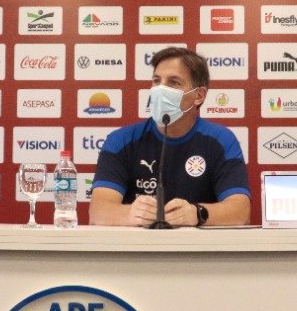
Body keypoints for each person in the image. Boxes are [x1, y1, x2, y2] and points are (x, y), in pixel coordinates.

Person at [91, 46, 251, 227]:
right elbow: (98, 212)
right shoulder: (121, 140)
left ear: (199, 95)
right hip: (137, 251)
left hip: (199, 252)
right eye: (156, 81)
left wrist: (197, 214)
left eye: (174, 83)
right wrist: (130, 214)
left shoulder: (222, 140)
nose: (160, 90)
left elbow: (241, 212)